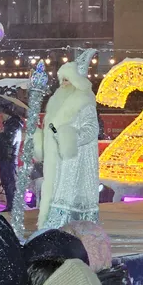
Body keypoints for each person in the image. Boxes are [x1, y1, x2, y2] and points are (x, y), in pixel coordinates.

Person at [34, 52, 100, 230]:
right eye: (62, 80)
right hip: (58, 163)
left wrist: (67, 138)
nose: (63, 84)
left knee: (67, 196)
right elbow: (52, 132)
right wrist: (39, 137)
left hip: (74, 163)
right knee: (55, 193)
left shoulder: (84, 102)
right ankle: (53, 227)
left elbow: (91, 129)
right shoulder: (56, 103)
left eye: (67, 80)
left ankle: (70, 227)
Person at [0, 113, 23, 212]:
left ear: (8, 114)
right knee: (6, 182)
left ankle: (12, 206)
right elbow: (0, 141)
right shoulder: (10, 125)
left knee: (9, 182)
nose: (1, 116)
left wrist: (1, 133)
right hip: (5, 158)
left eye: (3, 114)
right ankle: (10, 205)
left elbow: (9, 141)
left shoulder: (14, 125)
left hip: (8, 159)